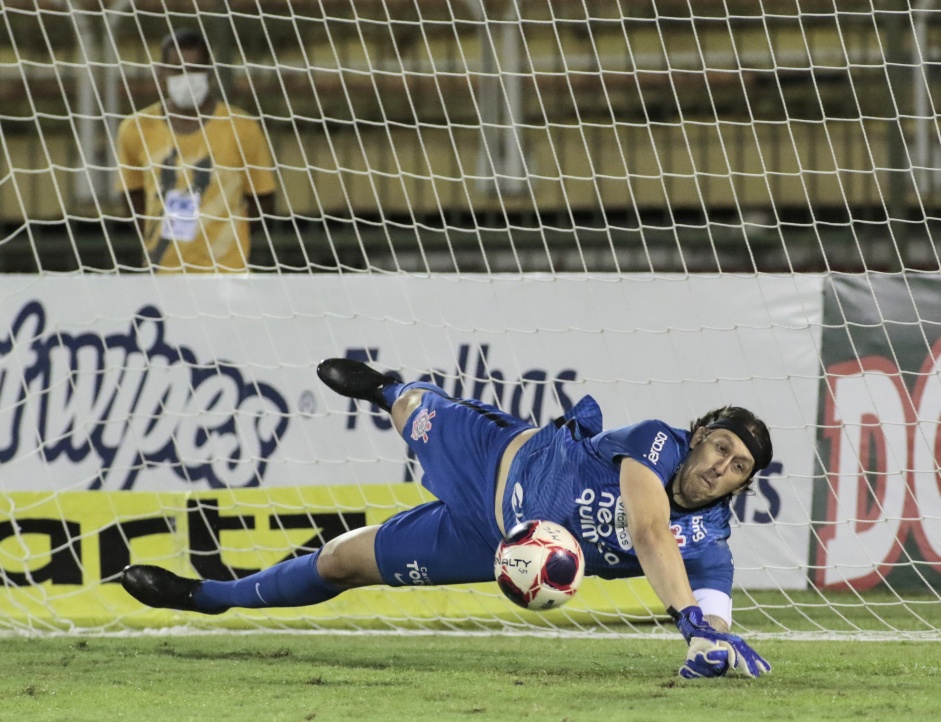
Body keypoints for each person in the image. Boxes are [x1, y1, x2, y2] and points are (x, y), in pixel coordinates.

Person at [122, 358, 773, 679]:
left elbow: (713, 607)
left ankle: (209, 598)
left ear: (742, 483)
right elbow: (647, 531)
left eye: (738, 465)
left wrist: (706, 641)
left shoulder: (711, 543)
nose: (721, 467)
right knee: (414, 407)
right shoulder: (655, 442)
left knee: (342, 562)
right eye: (719, 447)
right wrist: (683, 617)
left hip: (487, 541)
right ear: (696, 439)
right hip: (492, 461)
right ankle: (384, 387)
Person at [115, 28, 277, 273]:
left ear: (210, 73)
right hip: (163, 274)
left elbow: (263, 201)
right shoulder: (135, 129)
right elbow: (132, 198)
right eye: (178, 69)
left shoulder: (242, 127)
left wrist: (224, 236)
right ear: (162, 73)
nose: (187, 77)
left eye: (195, 69)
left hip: (227, 274)